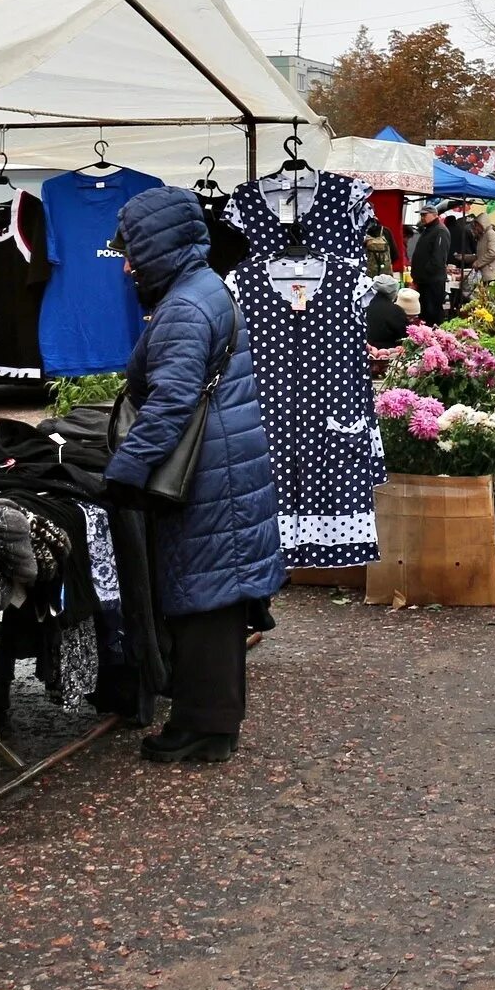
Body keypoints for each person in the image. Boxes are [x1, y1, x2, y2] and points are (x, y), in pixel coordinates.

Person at [103, 187, 283, 763]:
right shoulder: (205, 289)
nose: (127, 264)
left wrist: (126, 470)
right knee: (216, 600)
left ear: (158, 247)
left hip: (207, 476)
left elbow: (172, 401)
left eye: (132, 250)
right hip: (225, 466)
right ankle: (206, 724)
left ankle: (204, 733)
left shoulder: (183, 306)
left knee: (204, 602)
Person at [409, 204, 451, 325]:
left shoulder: (440, 231)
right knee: (425, 313)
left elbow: (438, 258)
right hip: (424, 281)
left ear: (434, 215)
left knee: (432, 313)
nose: (422, 217)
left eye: (424, 215)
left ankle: (435, 337)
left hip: (432, 281)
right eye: (421, 215)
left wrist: (424, 273)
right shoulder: (428, 229)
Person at [364, 272, 410, 350]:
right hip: (389, 354)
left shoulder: (363, 307)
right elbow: (405, 338)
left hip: (365, 351)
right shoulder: (396, 311)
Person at [467, 207, 495, 285]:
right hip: (486, 274)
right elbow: (481, 254)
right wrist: (465, 257)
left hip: (492, 275)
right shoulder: (482, 236)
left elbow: (493, 253)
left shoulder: (490, 234)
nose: (476, 228)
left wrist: (478, 263)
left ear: (482, 224)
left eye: (477, 225)